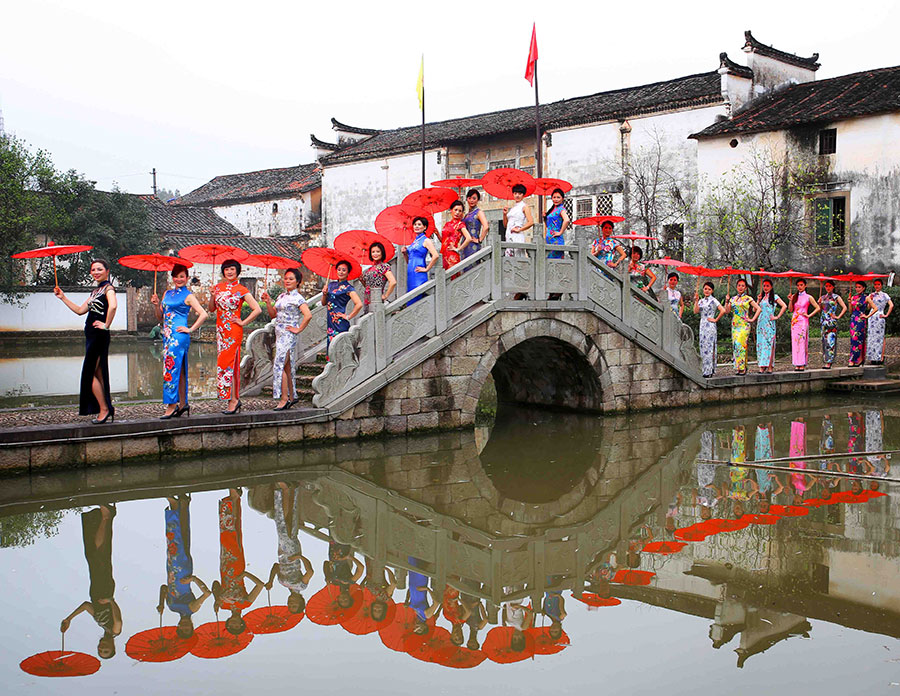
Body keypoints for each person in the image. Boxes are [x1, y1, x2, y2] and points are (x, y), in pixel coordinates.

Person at [54, 259, 117, 423]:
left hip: (99, 336)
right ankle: (107, 407)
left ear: (107, 271)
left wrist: (106, 325)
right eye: (93, 269)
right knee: (97, 373)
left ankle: (104, 409)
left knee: (88, 375)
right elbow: (80, 311)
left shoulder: (108, 289)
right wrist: (63, 297)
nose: (96, 272)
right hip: (91, 336)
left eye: (99, 269)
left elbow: (113, 306)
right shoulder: (96, 291)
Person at [61, 505, 122, 659]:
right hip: (105, 589)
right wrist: (110, 600)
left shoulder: (101, 624)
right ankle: (106, 516)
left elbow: (87, 606)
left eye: (100, 651)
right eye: (106, 650)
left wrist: (69, 619)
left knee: (92, 553)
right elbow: (118, 617)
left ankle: (105, 515)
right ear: (113, 647)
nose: (102, 648)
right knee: (100, 553)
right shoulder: (115, 630)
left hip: (95, 586)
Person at [150, 264, 208, 419]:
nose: (179, 279)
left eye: (182, 276)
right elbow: (160, 317)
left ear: (187, 278)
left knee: (170, 370)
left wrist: (190, 329)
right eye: (176, 276)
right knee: (179, 370)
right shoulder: (167, 294)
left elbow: (203, 314)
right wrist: (156, 305)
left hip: (179, 336)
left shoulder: (188, 295)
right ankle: (183, 404)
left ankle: (171, 405)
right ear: (172, 278)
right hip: (167, 336)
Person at [209, 259, 262, 414]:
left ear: (237, 271)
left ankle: (234, 400)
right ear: (223, 272)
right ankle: (231, 399)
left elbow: (257, 309)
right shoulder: (218, 288)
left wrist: (243, 322)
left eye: (232, 269)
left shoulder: (241, 289)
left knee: (230, 364)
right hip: (220, 331)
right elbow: (212, 309)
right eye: (226, 269)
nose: (229, 272)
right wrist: (212, 296)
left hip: (233, 330)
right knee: (223, 364)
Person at [213, 488, 266, 636]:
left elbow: (215, 585)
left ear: (228, 623)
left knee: (226, 535)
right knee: (232, 536)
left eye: (232, 626)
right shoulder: (246, 603)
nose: (234, 624)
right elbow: (260, 585)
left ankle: (233, 500)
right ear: (241, 623)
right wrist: (244, 575)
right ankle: (233, 498)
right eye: (237, 626)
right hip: (236, 566)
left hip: (224, 566)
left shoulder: (223, 605)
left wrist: (215, 598)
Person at [156, 495, 211, 639]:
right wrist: (193, 579)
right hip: (183, 571)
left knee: (178, 539)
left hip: (171, 570)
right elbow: (207, 594)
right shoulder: (192, 609)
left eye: (183, 629)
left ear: (178, 627)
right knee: (176, 540)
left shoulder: (172, 607)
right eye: (188, 629)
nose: (185, 627)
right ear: (192, 626)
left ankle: (182, 504)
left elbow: (164, 588)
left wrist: (160, 603)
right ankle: (174, 505)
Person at [260, 268, 312, 410]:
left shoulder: (298, 298)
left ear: (298, 282)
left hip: (289, 335)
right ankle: (292, 396)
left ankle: (283, 399)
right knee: (287, 367)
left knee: (280, 364)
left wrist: (298, 329)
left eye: (291, 279)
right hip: (279, 332)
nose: (287, 281)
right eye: (286, 278)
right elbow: (273, 315)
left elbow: (308, 315)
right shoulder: (282, 296)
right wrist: (268, 302)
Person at [264, 483, 314, 615]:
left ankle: (292, 490)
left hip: (281, 553)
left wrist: (270, 580)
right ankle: (284, 490)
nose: (291, 603)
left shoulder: (283, 584)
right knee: (283, 524)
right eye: (294, 605)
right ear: (300, 602)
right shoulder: (301, 586)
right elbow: (310, 572)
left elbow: (276, 567)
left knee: (287, 523)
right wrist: (299, 557)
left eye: (290, 605)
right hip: (292, 552)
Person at [724, 278, 760, 375]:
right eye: (739, 285)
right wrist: (726, 301)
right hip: (735, 325)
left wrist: (752, 319)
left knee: (741, 345)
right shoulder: (733, 299)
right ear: (736, 287)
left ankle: (742, 368)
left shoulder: (748, 298)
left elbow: (758, 309)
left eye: (743, 286)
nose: (740, 287)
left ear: (745, 288)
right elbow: (726, 311)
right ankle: (739, 367)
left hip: (744, 325)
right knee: (736, 345)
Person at [325, 260, 362, 349]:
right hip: (330, 323)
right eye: (339, 269)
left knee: (340, 348)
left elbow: (359, 304)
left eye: (344, 270)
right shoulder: (330, 285)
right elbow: (324, 303)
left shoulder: (348, 288)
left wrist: (348, 316)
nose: (341, 272)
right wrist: (324, 293)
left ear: (348, 272)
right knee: (331, 349)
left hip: (339, 322)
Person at [403, 216, 440, 305]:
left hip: (419, 272)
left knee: (418, 295)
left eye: (419, 224)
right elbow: (409, 261)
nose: (416, 226)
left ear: (425, 227)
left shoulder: (426, 240)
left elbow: (435, 255)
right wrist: (404, 253)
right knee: (411, 295)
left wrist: (426, 269)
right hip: (411, 271)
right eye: (415, 224)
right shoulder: (414, 241)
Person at [694, 282, 725, 377]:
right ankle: (704, 369)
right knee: (703, 346)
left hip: (710, 325)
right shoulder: (701, 301)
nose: (707, 291)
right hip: (702, 325)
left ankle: (709, 370)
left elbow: (723, 310)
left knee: (709, 347)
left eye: (709, 289)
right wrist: (696, 301)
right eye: (705, 289)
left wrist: (715, 319)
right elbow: (695, 311)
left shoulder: (713, 300)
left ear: (712, 291)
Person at [788, 279, 820, 371]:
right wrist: (790, 300)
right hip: (795, 321)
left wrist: (809, 315)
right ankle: (796, 363)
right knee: (795, 343)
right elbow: (790, 310)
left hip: (803, 321)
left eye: (801, 285)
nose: (799, 287)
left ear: (805, 286)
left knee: (802, 342)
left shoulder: (808, 297)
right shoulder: (794, 296)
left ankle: (802, 363)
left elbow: (817, 308)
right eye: (798, 285)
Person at [755, 278, 786, 373]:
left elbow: (784, 306)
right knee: (761, 344)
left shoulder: (775, 297)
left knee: (769, 344)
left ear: (771, 287)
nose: (765, 288)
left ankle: (770, 366)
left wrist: (777, 316)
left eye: (767, 286)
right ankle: (762, 365)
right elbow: (754, 310)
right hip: (761, 323)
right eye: (764, 286)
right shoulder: (761, 297)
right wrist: (758, 300)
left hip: (769, 324)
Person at [359, 242, 396, 312]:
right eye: (373, 252)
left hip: (377, 299)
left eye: (378, 251)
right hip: (367, 299)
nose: (375, 254)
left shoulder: (384, 266)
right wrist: (362, 280)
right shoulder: (370, 269)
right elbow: (368, 286)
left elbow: (393, 282)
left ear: (382, 253)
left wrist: (385, 296)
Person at [818, 280, 847, 368]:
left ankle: (829, 362)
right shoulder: (822, 297)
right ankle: (826, 360)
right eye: (826, 286)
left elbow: (844, 307)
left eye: (830, 286)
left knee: (831, 341)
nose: (828, 288)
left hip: (831, 322)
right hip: (823, 321)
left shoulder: (836, 297)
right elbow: (819, 310)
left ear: (833, 287)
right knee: (824, 341)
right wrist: (819, 303)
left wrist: (838, 316)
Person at [865, 278, 893, 365]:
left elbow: (891, 305)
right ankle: (872, 357)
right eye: (875, 284)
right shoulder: (871, 295)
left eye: (878, 284)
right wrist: (870, 299)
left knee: (879, 337)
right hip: (871, 317)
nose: (876, 286)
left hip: (879, 316)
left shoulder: (884, 295)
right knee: (871, 337)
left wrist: (886, 314)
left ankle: (879, 357)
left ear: (881, 285)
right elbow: (869, 307)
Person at [441, 200, 473, 275]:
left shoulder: (460, 224)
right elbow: (443, 240)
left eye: (460, 211)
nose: (457, 212)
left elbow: (468, 238)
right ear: (451, 210)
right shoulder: (447, 224)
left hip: (452, 255)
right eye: (455, 210)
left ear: (462, 213)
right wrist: (437, 234)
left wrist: (458, 249)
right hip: (443, 254)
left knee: (452, 279)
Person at [502, 183, 533, 258]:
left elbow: (531, 222)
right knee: (509, 259)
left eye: (520, 193)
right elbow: (505, 225)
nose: (517, 195)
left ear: (523, 195)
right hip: (509, 234)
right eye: (515, 193)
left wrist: (519, 230)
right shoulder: (512, 208)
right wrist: (504, 215)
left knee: (518, 258)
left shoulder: (524, 206)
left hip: (517, 235)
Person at [462, 189, 489, 259]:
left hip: (473, 244)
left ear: (478, 200)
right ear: (467, 199)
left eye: (474, 198)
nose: (471, 200)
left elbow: (486, 227)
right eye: (469, 198)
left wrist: (479, 240)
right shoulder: (466, 215)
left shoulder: (479, 212)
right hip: (464, 244)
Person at [544, 188, 570, 260]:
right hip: (549, 238)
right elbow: (548, 226)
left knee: (556, 263)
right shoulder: (552, 210)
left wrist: (560, 232)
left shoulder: (561, 209)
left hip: (556, 239)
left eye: (558, 197)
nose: (556, 199)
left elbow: (567, 220)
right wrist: (544, 218)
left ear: (562, 199)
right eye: (554, 197)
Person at [848, 281, 869, 366]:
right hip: (853, 319)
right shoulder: (853, 297)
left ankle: (854, 360)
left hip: (860, 320)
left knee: (858, 339)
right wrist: (849, 302)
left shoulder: (866, 297)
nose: (857, 289)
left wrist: (866, 316)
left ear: (863, 288)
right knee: (853, 340)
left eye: (859, 287)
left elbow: (874, 308)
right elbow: (850, 311)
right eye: (856, 287)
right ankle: (858, 359)